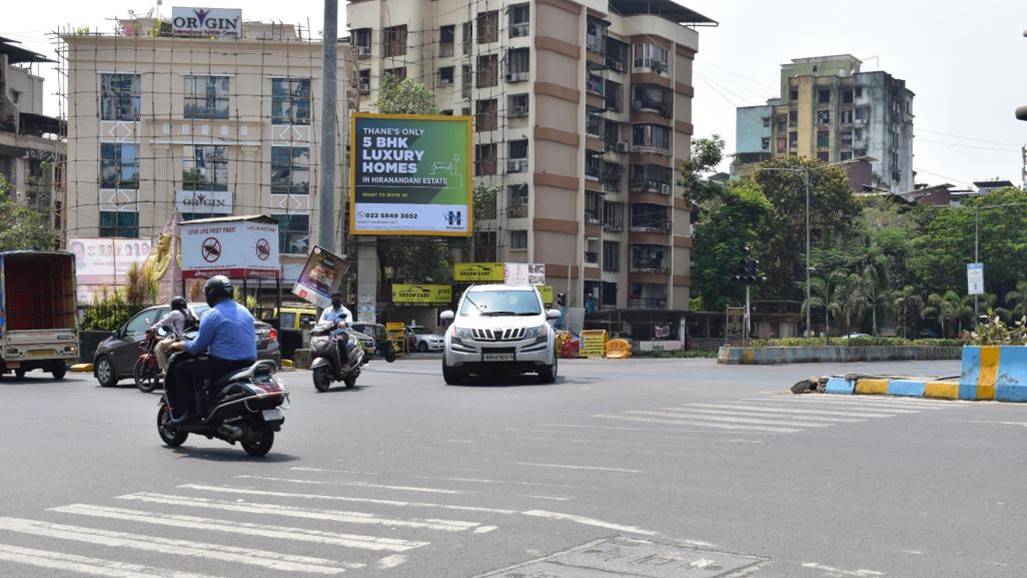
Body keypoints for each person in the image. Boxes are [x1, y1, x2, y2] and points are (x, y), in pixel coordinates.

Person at [165, 276, 256, 425]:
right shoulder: (244, 310)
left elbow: (196, 348)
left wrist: (178, 345)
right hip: (249, 362)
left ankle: (191, 413)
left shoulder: (212, 314)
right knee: (199, 367)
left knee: (182, 369)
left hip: (224, 364)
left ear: (211, 295)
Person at [148, 296, 194, 372]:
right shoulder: (189, 311)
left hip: (178, 339)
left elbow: (163, 322)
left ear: (174, 305)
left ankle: (165, 370)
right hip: (189, 338)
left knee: (158, 347)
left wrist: (152, 328)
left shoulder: (175, 313)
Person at [319, 293, 353, 368]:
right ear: (331, 299)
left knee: (340, 340)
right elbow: (320, 322)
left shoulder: (346, 311)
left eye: (337, 298)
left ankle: (345, 363)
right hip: (328, 333)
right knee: (318, 341)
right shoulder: (326, 311)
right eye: (334, 298)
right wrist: (331, 323)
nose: (335, 300)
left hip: (341, 333)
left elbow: (350, 322)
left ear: (341, 299)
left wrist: (344, 322)